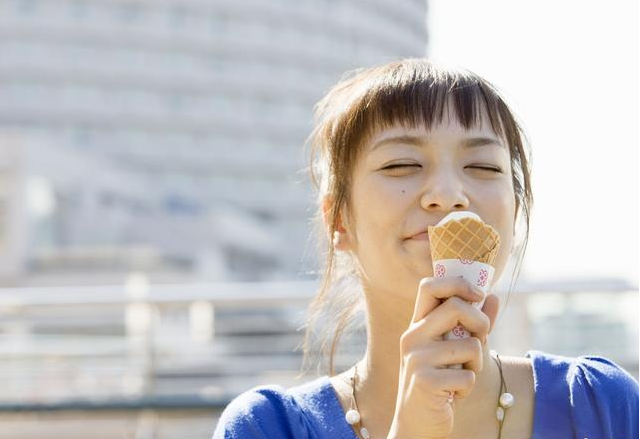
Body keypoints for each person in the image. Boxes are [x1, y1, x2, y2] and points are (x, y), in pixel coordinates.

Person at [212, 59, 638, 439]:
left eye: (483, 167)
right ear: (339, 220)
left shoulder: (601, 406)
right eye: (402, 164)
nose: (449, 194)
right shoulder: (267, 428)